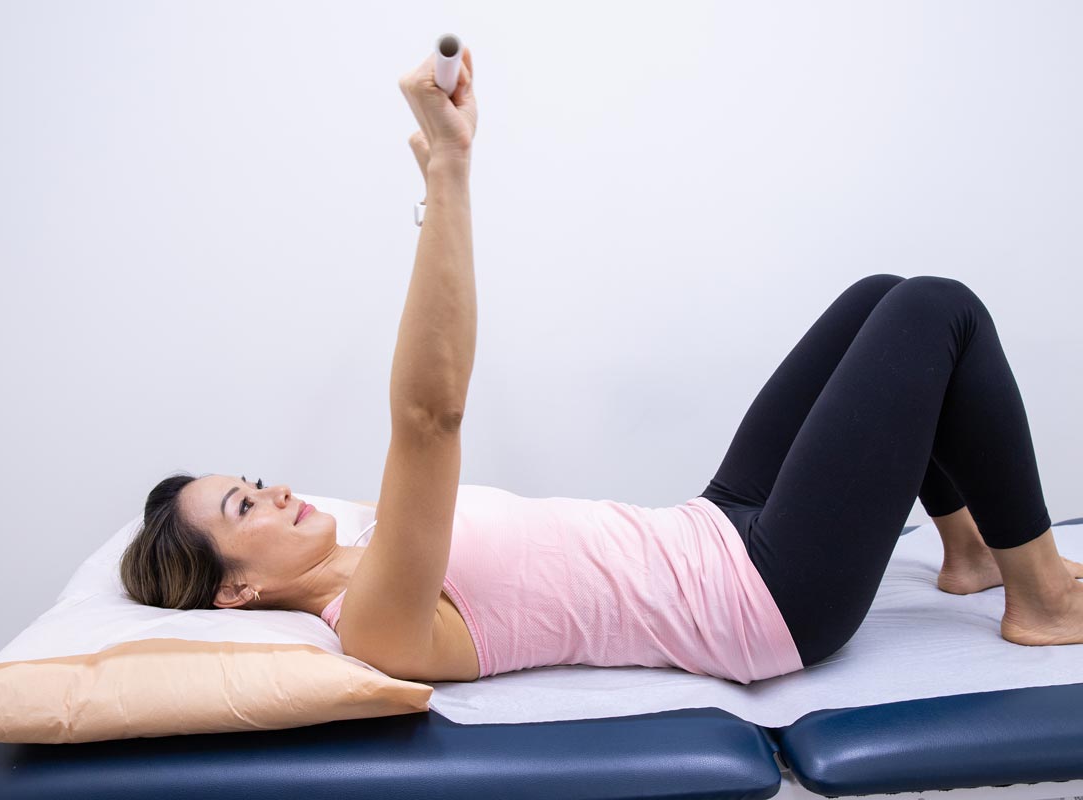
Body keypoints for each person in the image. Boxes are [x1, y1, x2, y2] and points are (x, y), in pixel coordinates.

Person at [120, 48, 1083, 684]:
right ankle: (1040, 599)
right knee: (937, 310)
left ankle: (965, 553)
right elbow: (428, 417)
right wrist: (448, 174)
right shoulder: (370, 620)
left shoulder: (365, 535)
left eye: (248, 482)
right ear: (234, 593)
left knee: (880, 296)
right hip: (769, 600)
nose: (273, 489)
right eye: (243, 509)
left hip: (719, 527)